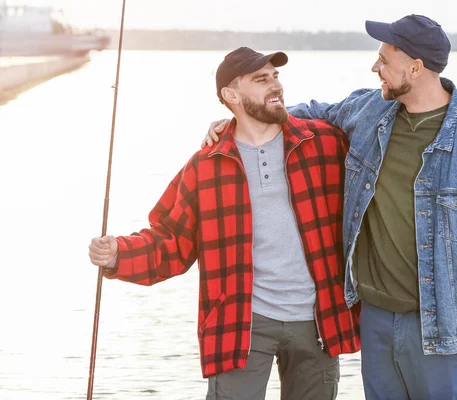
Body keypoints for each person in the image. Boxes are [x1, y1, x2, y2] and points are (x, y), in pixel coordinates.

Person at [201, 15, 457, 400]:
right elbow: (309, 114)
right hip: (374, 320)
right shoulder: (370, 110)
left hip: (441, 327)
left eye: (384, 59)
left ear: (415, 67)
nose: (376, 67)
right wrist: (238, 122)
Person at [88, 46, 360, 400]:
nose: (275, 85)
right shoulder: (206, 165)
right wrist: (117, 255)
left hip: (320, 321)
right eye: (261, 79)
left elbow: (376, 132)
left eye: (275, 76)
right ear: (231, 95)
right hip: (241, 324)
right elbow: (171, 241)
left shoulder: (325, 143)